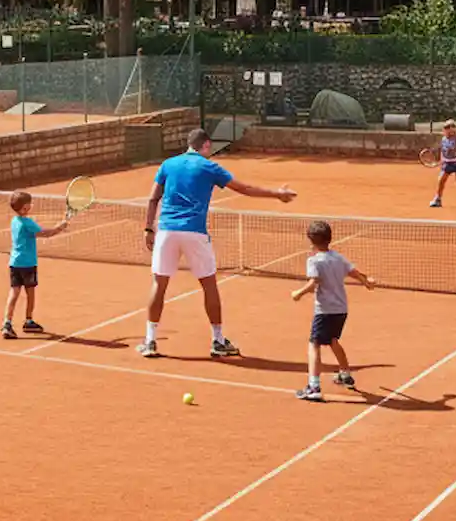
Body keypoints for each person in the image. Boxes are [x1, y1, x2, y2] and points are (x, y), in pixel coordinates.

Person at [138, 127, 297, 360]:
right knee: (209, 285)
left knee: (159, 285)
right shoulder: (209, 166)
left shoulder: (168, 164)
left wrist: (148, 229)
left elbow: (153, 198)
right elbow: (244, 189)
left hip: (166, 232)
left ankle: (150, 341)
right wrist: (277, 194)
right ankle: (218, 340)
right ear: (206, 145)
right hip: (195, 232)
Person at [289, 220, 375, 402]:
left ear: (311, 241)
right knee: (333, 340)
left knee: (314, 344)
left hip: (325, 310)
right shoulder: (338, 258)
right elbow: (353, 272)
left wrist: (298, 293)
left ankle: (313, 386)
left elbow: (313, 283)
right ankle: (345, 374)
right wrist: (366, 282)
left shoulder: (313, 261)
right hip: (341, 309)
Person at [2, 190, 67, 340]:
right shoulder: (28, 223)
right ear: (24, 208)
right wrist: (60, 227)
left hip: (14, 263)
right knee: (30, 293)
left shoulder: (14, 221)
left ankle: (7, 322)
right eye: (29, 204)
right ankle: (28, 320)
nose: (31, 205)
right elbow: (46, 234)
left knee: (14, 293)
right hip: (28, 264)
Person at [430, 120, 456, 209]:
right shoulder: (444, 139)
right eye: (446, 128)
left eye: (450, 128)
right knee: (442, 179)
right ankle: (438, 199)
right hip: (447, 163)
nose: (447, 130)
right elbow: (442, 151)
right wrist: (442, 159)